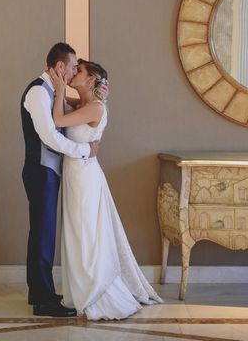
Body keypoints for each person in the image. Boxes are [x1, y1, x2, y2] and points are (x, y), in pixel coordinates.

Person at [49, 59, 163, 320]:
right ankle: (79, 288)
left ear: (90, 80)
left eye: (78, 71)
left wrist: (58, 89)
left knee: (85, 234)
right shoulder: (86, 105)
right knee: (78, 232)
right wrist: (61, 87)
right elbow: (68, 107)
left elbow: (57, 117)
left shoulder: (95, 109)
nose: (73, 73)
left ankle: (94, 291)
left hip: (84, 178)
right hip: (76, 175)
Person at [20, 42, 100, 317]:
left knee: (43, 234)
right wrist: (84, 151)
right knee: (43, 236)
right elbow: (50, 137)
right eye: (73, 66)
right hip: (41, 171)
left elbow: (86, 107)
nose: (75, 70)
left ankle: (38, 293)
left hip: (48, 171)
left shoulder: (53, 92)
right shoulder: (37, 93)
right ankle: (43, 302)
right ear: (59, 67)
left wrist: (100, 90)